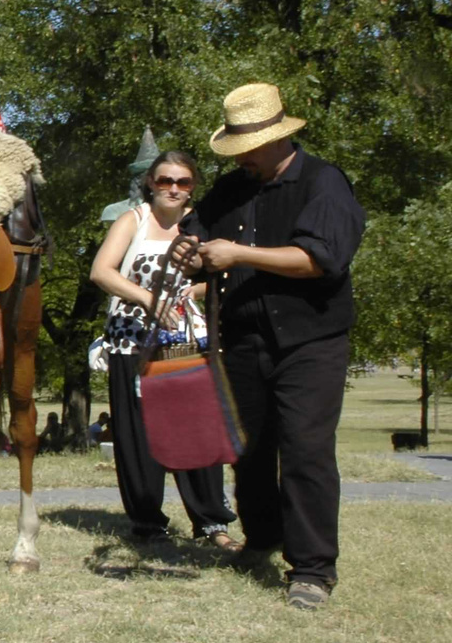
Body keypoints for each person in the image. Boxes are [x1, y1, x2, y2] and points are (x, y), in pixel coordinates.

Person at [174, 83, 365, 610]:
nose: (242, 161)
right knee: (249, 449)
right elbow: (194, 235)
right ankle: (262, 538)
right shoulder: (233, 189)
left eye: (248, 151)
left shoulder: (324, 184)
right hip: (243, 337)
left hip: (310, 339)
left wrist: (240, 253)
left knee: (305, 451)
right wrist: (191, 251)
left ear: (278, 140)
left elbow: (319, 260)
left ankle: (312, 569)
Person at [90, 150, 240, 551]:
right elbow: (101, 271)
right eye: (164, 181)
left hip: (189, 339)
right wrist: (145, 298)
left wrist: (196, 290)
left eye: (183, 182)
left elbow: (226, 277)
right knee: (137, 433)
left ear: (193, 186)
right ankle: (147, 523)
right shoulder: (133, 220)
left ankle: (211, 523)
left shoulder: (202, 225)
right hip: (132, 340)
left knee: (196, 430)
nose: (173, 189)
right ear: (151, 184)